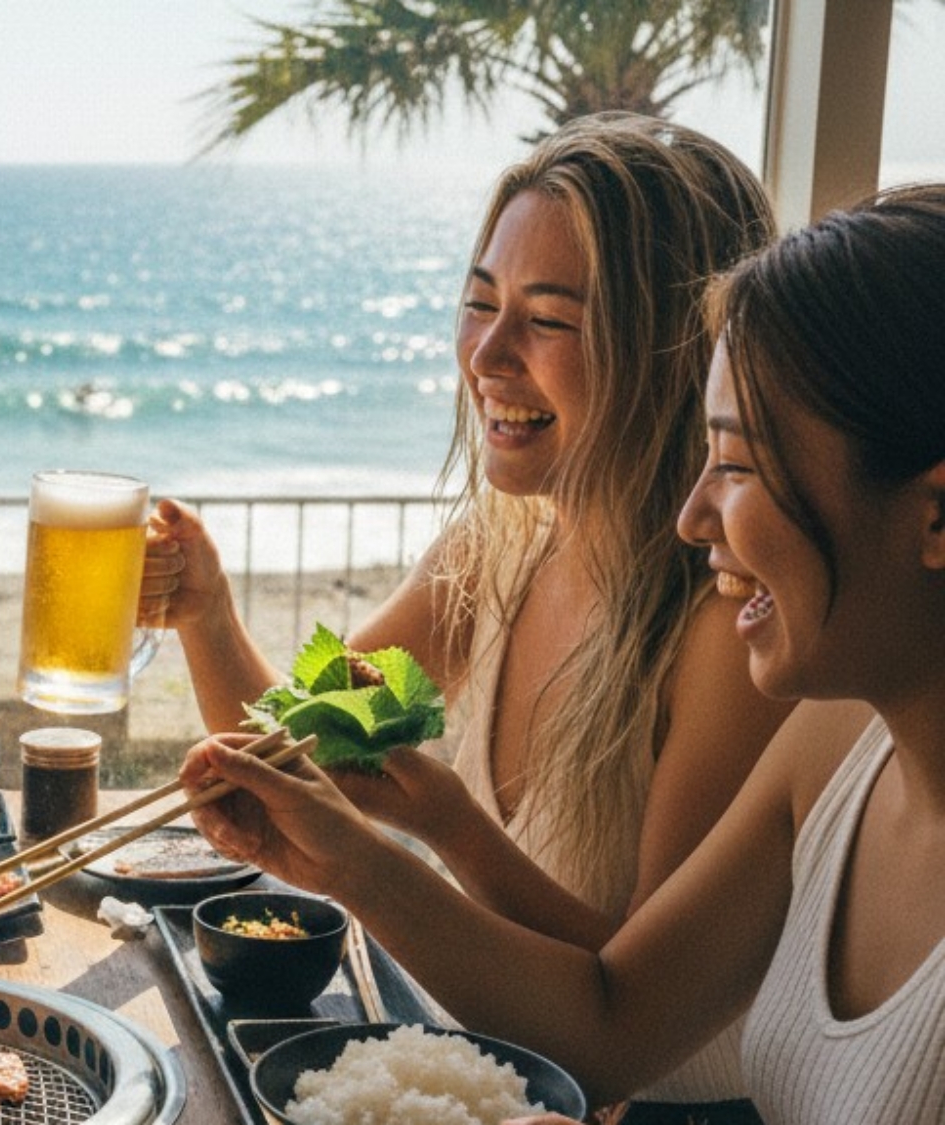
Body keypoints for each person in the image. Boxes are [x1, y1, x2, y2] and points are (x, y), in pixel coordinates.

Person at [183, 182, 945, 1122]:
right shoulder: (497, 549)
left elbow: (622, 1026)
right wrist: (208, 616)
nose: (487, 355)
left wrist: (442, 829)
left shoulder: (727, 636)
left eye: (741, 463)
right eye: (480, 303)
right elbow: (295, 737)